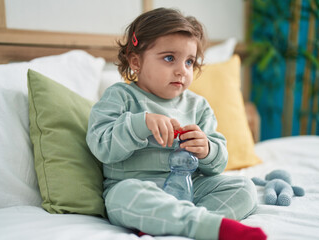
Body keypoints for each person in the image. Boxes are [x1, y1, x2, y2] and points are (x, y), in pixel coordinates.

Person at [86, 7, 266, 240]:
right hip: (139, 187)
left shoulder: (198, 106)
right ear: (136, 61)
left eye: (190, 62)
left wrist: (207, 150)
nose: (182, 70)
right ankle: (202, 225)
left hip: (190, 188)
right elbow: (101, 146)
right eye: (169, 58)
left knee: (244, 188)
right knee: (123, 196)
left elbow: (217, 165)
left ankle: (170, 222)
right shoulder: (120, 96)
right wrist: (140, 124)